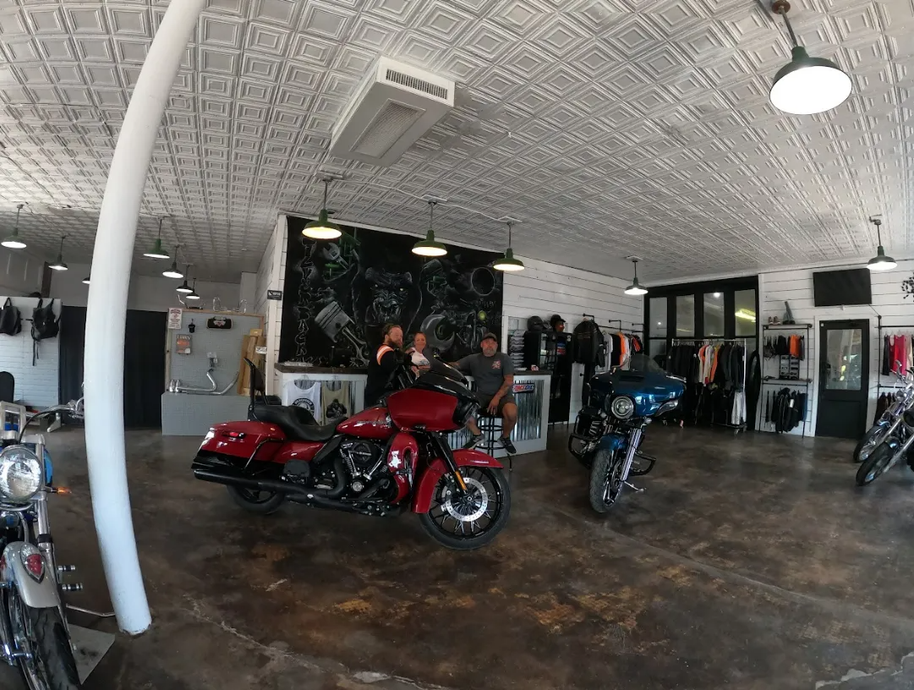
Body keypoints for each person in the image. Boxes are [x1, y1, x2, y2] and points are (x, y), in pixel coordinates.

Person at [454, 333, 517, 454]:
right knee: (461, 409)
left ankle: (505, 437)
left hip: (503, 397)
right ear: (482, 344)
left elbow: (509, 381)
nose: (490, 345)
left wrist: (496, 398)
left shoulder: (504, 358)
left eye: (493, 342)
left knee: (512, 413)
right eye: (487, 342)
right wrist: (435, 365)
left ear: (497, 345)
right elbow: (456, 365)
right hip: (482, 396)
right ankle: (477, 434)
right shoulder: (473, 359)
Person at [365, 324, 404, 406]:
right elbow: (395, 369)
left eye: (401, 336)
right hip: (379, 399)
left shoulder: (389, 351)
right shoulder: (385, 351)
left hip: (379, 398)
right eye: (396, 335)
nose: (400, 338)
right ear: (386, 337)